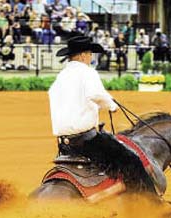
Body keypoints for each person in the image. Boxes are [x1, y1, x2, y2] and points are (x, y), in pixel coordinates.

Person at [48, 35, 159, 194]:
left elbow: (74, 102)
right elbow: (96, 95)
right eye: (90, 54)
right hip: (86, 141)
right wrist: (111, 105)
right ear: (83, 55)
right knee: (132, 161)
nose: (91, 58)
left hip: (64, 144)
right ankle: (155, 205)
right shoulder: (87, 72)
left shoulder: (60, 78)